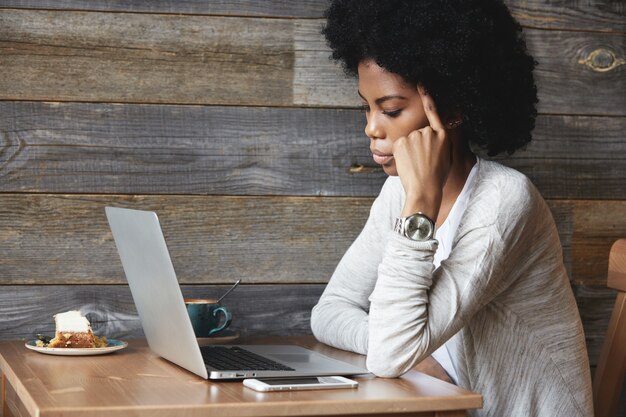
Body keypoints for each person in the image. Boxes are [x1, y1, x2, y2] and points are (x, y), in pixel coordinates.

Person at [309, 1, 594, 416]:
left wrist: (421, 204)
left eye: (389, 110)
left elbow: (390, 356)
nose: (371, 127)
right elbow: (329, 312)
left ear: (453, 109)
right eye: (366, 107)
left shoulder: (504, 202)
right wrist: (421, 357)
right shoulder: (396, 194)